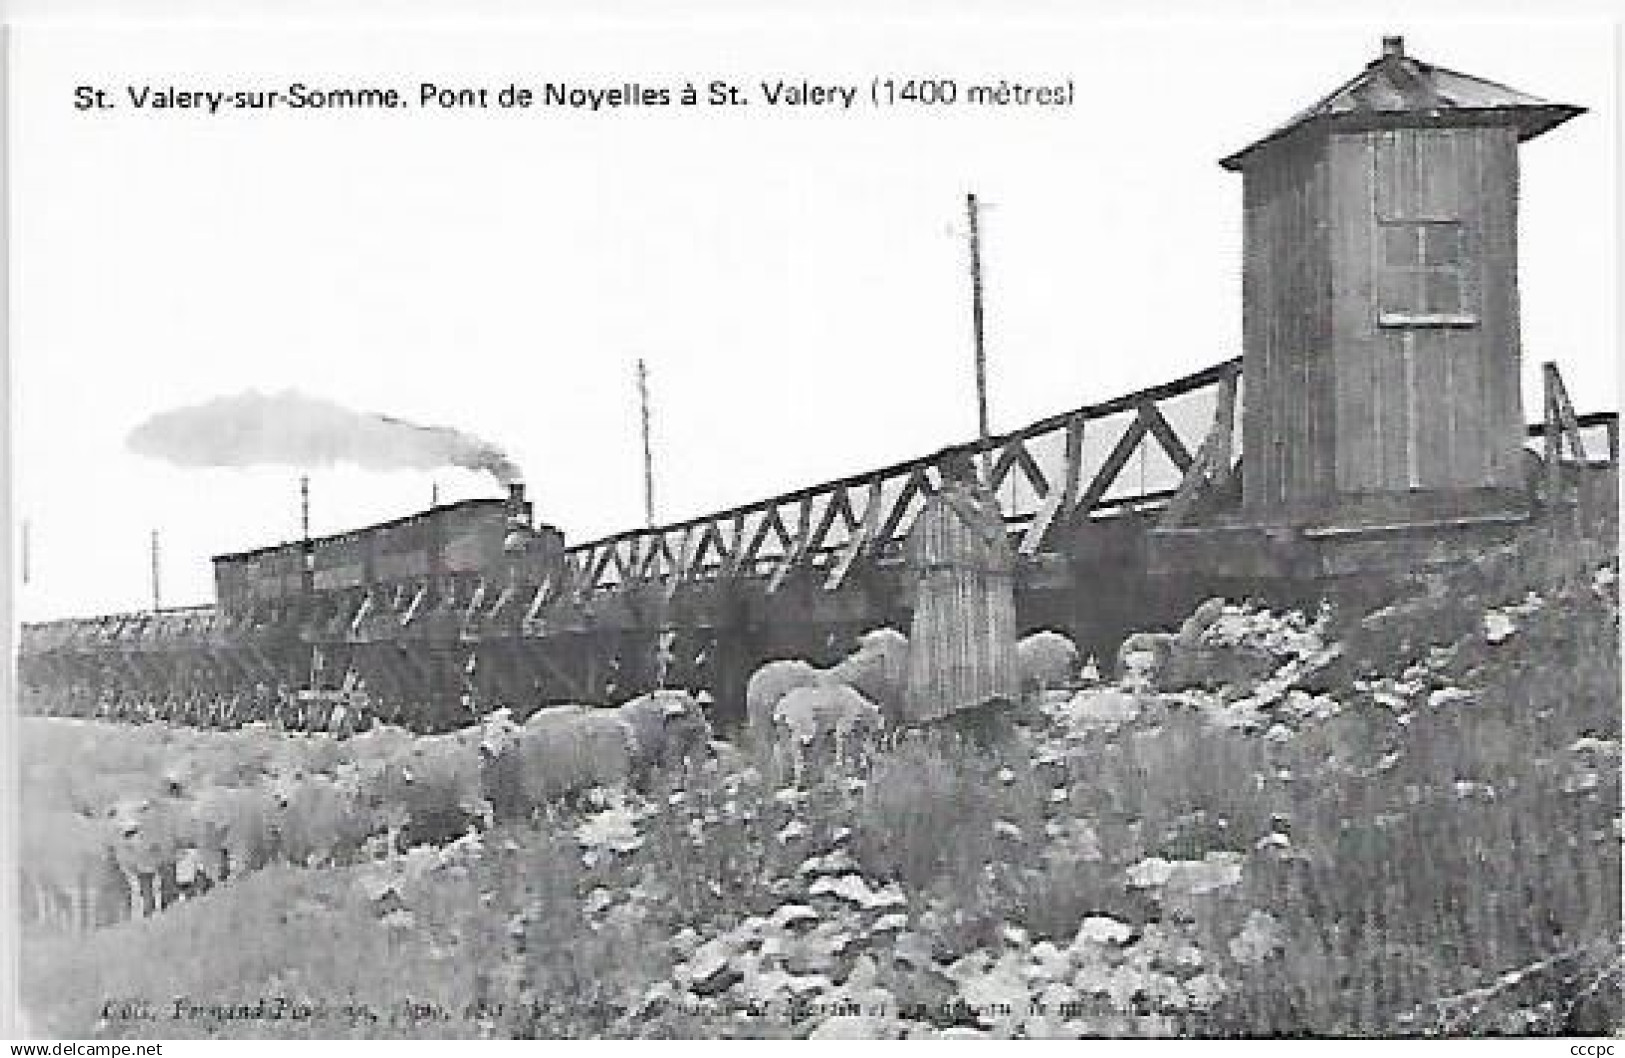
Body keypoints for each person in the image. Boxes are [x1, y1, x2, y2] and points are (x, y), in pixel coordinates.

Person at [903, 447, 1020, 743]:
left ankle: (949, 724)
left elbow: (913, 555)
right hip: (979, 603)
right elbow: (999, 551)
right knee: (983, 678)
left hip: (943, 605)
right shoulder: (981, 507)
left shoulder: (930, 513)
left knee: (949, 676)